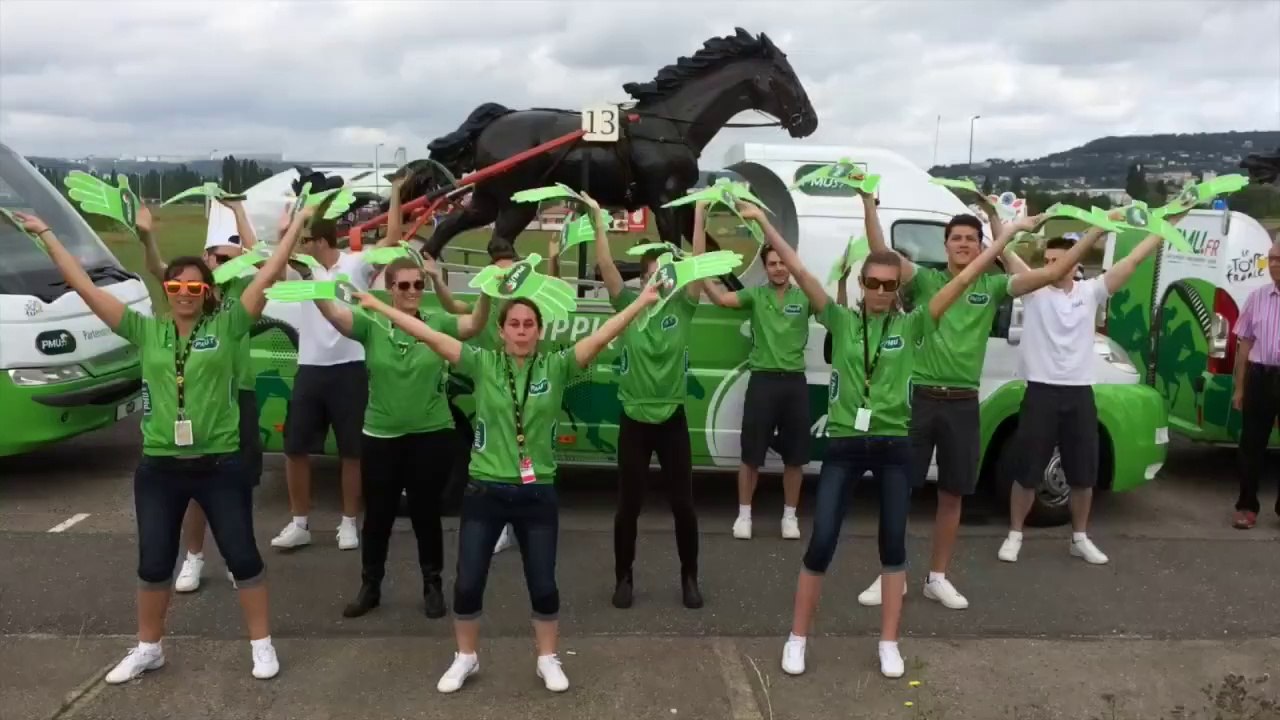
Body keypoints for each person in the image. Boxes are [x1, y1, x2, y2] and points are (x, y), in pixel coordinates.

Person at [10, 201, 307, 683]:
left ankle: (262, 644)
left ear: (208, 293)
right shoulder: (145, 330)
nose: (185, 293)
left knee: (243, 555)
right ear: (166, 291)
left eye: (194, 286)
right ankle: (150, 648)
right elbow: (85, 288)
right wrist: (47, 236)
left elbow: (268, 274)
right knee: (153, 563)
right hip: (160, 468)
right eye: (175, 286)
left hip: (219, 464)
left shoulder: (229, 326)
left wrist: (294, 232)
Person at [741, 202, 1030, 679]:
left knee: (892, 546)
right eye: (871, 283)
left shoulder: (915, 324)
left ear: (900, 289)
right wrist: (761, 221)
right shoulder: (837, 318)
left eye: (888, 285)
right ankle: (797, 638)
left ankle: (889, 643)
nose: (879, 291)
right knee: (822, 543)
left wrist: (1001, 239)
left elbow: (963, 280)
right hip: (844, 447)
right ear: (861, 285)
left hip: (895, 446)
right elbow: (793, 263)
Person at [357, 282, 661, 694]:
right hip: (485, 491)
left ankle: (546, 658)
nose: (521, 331)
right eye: (514, 324)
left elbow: (603, 334)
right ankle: (466, 656)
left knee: (543, 583)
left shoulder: (556, 366)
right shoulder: (482, 363)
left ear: (539, 331)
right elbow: (428, 334)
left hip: (537, 494)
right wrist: (377, 305)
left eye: (529, 324)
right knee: (468, 582)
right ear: (501, 331)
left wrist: (641, 302)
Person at [857, 195, 1110, 610]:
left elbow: (1057, 270)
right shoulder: (924, 281)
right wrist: (869, 205)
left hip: (963, 404)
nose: (962, 244)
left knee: (953, 495)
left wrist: (1096, 231)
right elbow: (880, 255)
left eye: (970, 239)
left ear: (981, 245)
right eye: (955, 238)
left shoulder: (994, 286)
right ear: (945, 245)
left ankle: (937, 578)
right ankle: (891, 574)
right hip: (919, 399)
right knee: (899, 491)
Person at [997, 214, 1187, 564]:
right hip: (1040, 391)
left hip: (1079, 393)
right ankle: (1015, 534)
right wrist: (996, 216)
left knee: (1083, 472)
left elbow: (1133, 260)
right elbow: (1004, 251)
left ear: (1076, 266)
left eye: (1061, 261)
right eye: (1050, 260)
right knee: (1027, 470)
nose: (1055, 266)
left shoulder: (1091, 292)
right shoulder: (1035, 290)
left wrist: (1171, 221)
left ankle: (1079, 537)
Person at [312, 257, 490, 618]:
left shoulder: (437, 322)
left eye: (418, 285)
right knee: (378, 515)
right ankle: (370, 586)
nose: (412, 292)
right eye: (404, 285)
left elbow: (474, 324)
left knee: (427, 513)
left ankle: (432, 585)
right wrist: (310, 279)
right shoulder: (372, 322)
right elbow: (333, 314)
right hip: (381, 434)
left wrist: (488, 289)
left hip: (432, 433)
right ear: (389, 289)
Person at [138, 197, 266, 593]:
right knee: (190, 478)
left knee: (234, 480)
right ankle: (194, 556)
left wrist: (241, 212)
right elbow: (160, 271)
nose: (227, 263)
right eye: (220, 257)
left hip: (237, 394)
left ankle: (236, 553)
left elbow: (262, 265)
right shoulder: (192, 292)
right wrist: (147, 240)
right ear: (208, 258)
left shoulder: (240, 290)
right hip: (189, 402)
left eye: (234, 257)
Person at [589, 193, 707, 610]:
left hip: (671, 419)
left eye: (667, 275)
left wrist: (698, 213)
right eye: (655, 276)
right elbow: (605, 267)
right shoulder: (628, 305)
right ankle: (624, 578)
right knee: (628, 507)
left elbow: (696, 264)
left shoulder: (685, 307)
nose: (662, 281)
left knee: (684, 506)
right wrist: (599, 221)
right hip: (634, 420)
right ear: (643, 280)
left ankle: (689, 578)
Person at [270, 197, 399, 552]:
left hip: (350, 367)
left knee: (351, 452)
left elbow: (392, 238)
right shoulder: (301, 270)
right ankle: (299, 524)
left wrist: (397, 191)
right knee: (295, 448)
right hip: (310, 368)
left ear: (321, 243)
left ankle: (347, 523)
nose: (300, 247)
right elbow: (275, 267)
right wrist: (286, 230)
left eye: (304, 241)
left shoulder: (356, 264)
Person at [431, 239, 560, 555]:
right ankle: (503, 524)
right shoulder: (488, 303)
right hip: (492, 385)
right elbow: (454, 309)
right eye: (497, 275)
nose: (504, 281)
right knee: (498, 452)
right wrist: (435, 279)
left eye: (507, 273)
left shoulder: (524, 309)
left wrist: (554, 257)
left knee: (527, 449)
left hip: (528, 384)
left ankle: (526, 518)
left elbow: (552, 292)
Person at [703, 218, 813, 541]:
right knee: (751, 454)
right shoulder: (755, 296)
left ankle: (790, 517)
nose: (779, 268)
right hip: (762, 381)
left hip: (794, 383)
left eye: (783, 263)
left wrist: (839, 283)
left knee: (796, 456)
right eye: (773, 263)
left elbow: (834, 314)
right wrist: (701, 276)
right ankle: (744, 515)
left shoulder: (805, 295)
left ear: (791, 266)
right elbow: (723, 301)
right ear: (765, 267)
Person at [1230, 238, 1280, 529]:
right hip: (1260, 376)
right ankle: (1247, 507)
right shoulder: (1257, 297)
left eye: (1278, 259)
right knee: (1251, 446)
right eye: (1270, 258)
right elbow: (1244, 345)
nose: (1273, 264)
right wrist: (1240, 388)